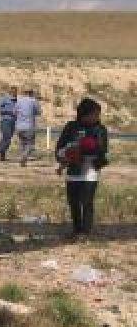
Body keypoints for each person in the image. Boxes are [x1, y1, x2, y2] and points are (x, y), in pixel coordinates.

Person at [55, 98, 108, 239]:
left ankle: (85, 232)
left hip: (90, 172)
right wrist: (66, 155)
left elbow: (103, 150)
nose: (97, 117)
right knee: (73, 202)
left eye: (98, 114)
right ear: (84, 114)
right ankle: (77, 230)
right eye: (94, 114)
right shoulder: (71, 127)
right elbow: (59, 147)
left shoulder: (100, 129)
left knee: (87, 202)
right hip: (73, 172)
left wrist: (89, 149)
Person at [15, 88, 41, 166]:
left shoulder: (19, 101)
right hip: (29, 126)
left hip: (19, 126)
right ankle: (24, 157)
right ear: (31, 93)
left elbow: (14, 112)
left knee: (22, 143)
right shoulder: (33, 101)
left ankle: (22, 158)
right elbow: (38, 112)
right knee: (30, 144)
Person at [0, 86, 18, 161]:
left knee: (8, 138)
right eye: (13, 92)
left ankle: (2, 154)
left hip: (13, 121)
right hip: (5, 120)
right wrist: (9, 111)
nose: (14, 93)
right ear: (10, 92)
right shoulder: (4, 99)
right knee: (6, 136)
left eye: (15, 92)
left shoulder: (17, 100)